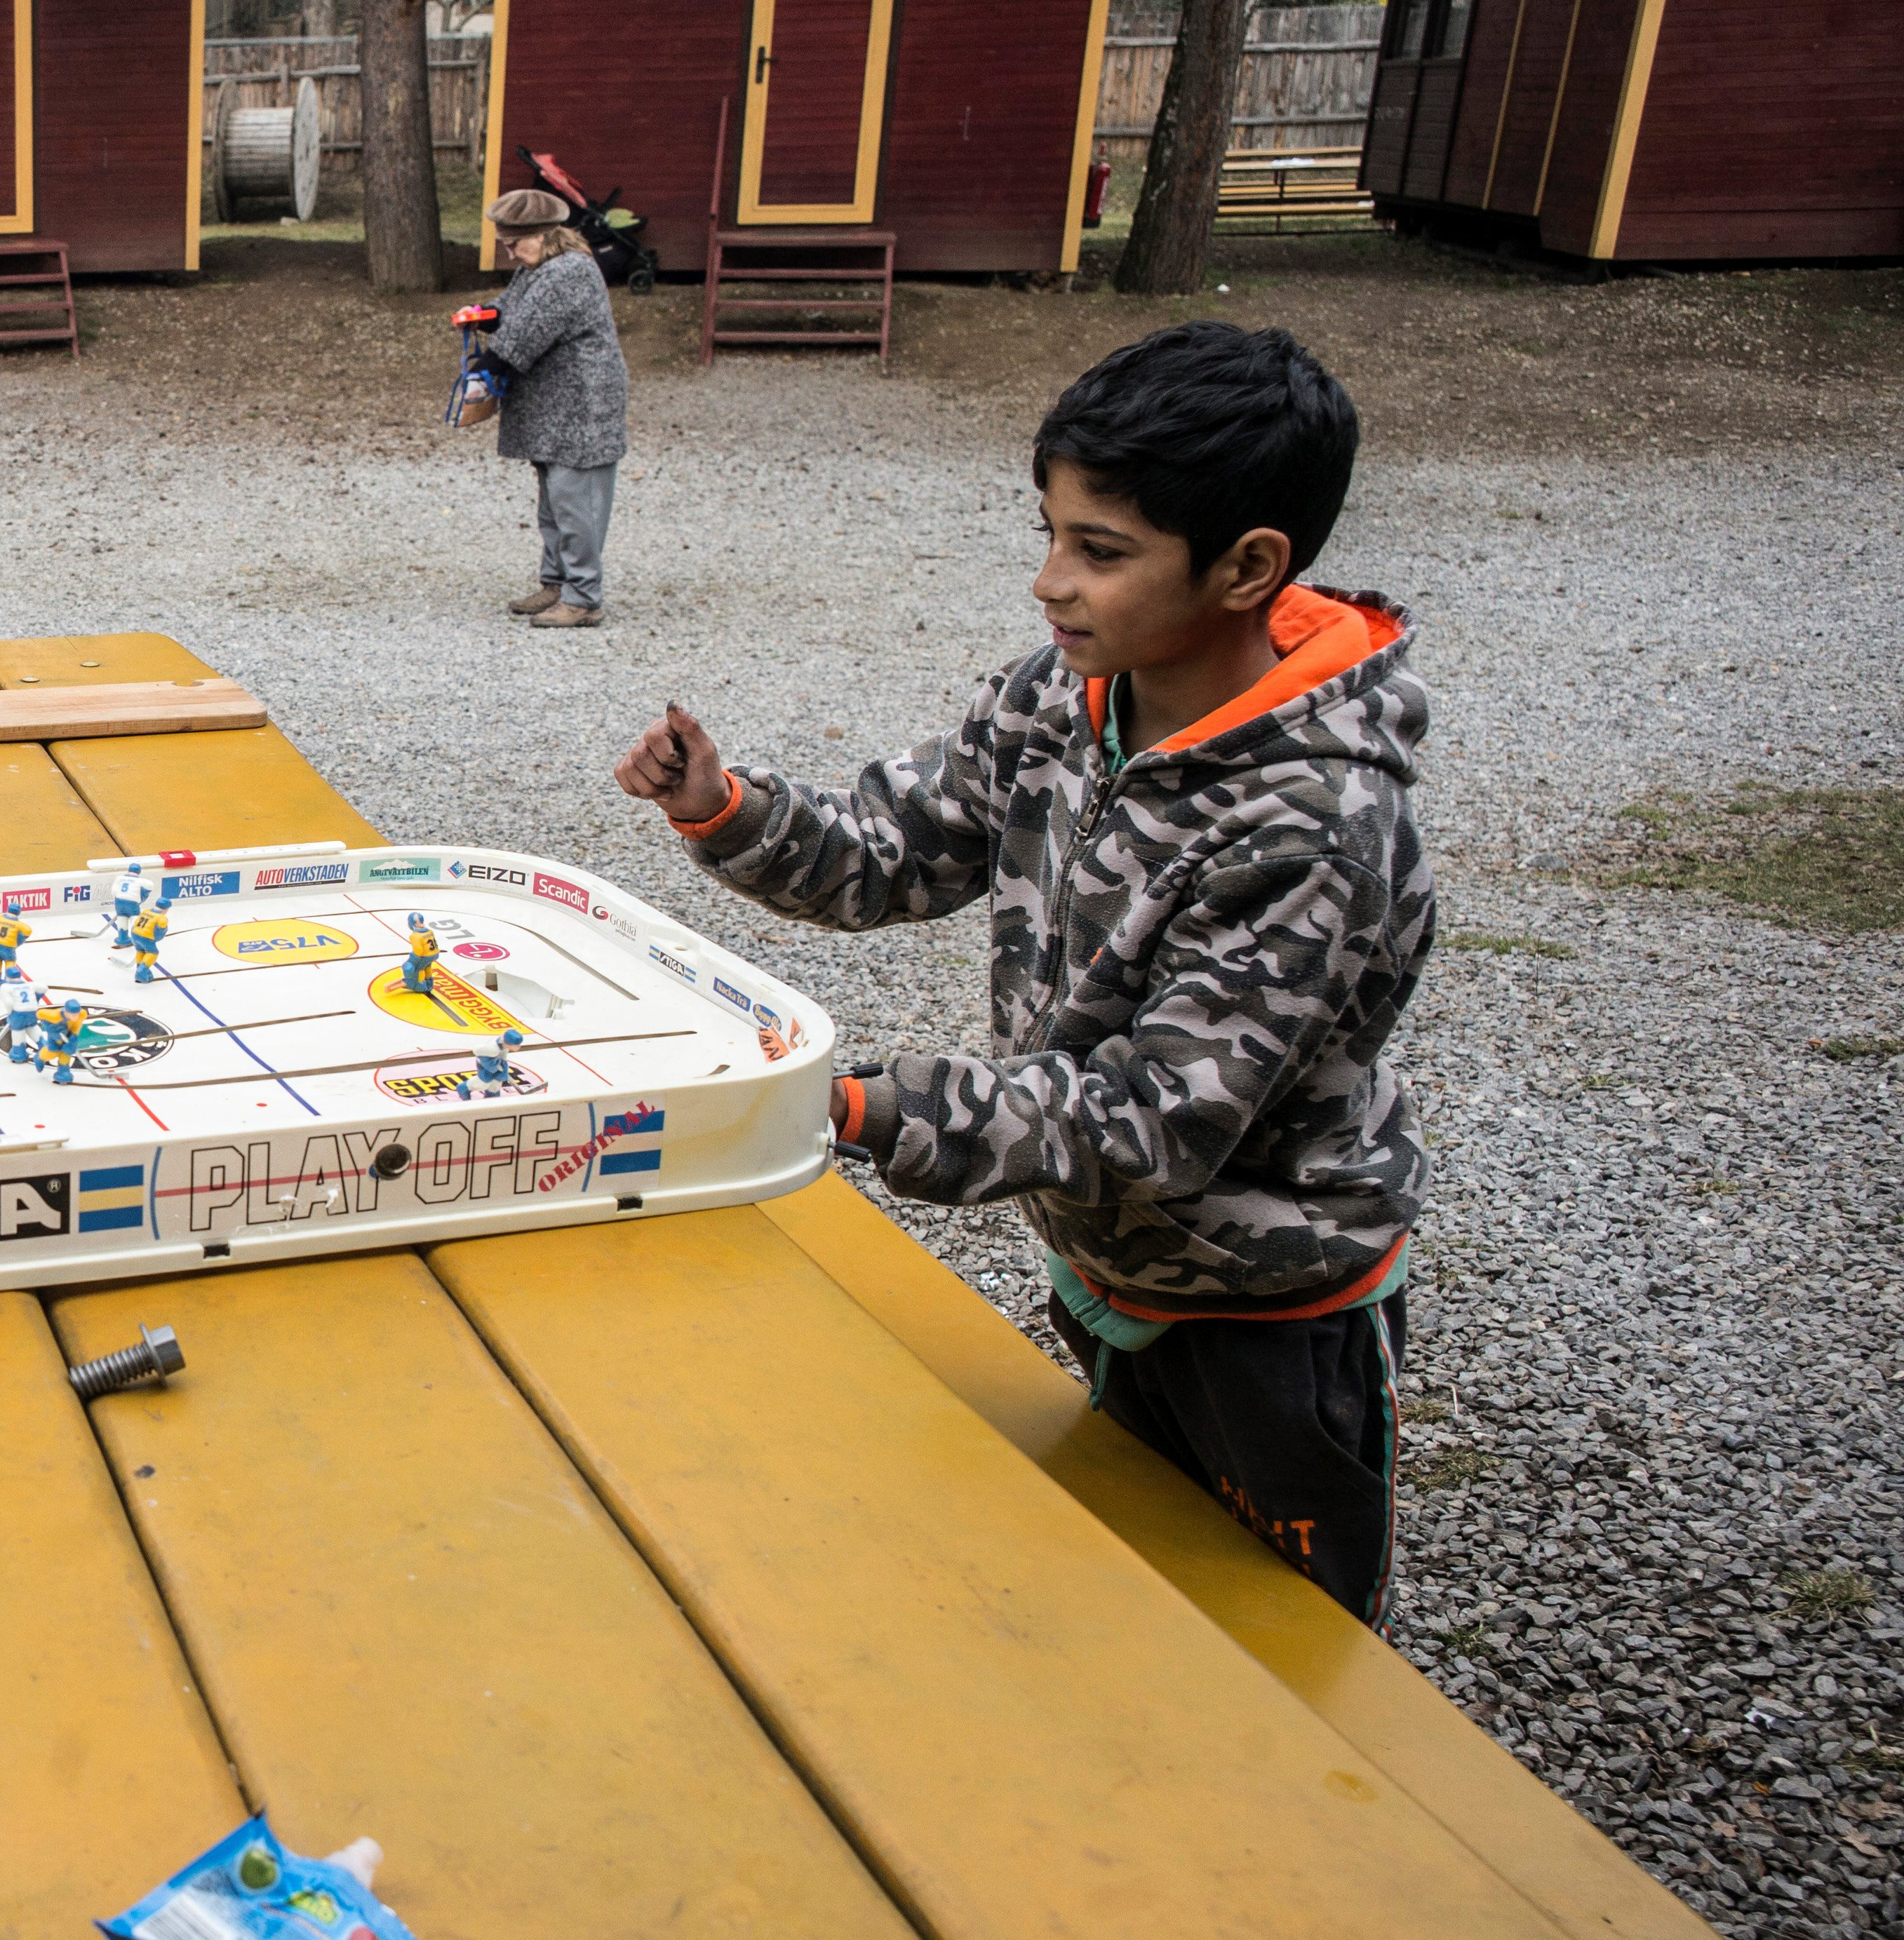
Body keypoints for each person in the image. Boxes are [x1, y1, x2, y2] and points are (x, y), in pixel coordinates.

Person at [612, 321, 1429, 1617]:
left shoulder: (1313, 825)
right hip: (1104, 1261)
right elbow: (898, 851)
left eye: (1100, 551)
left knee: (1285, 1648)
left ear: (1248, 565)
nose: (1050, 580)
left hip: (1267, 1315)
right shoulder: (1064, 695)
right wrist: (728, 807)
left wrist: (863, 1106)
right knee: (1125, 1599)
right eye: (1048, 531)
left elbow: (1155, 1116)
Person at [479, 185, 631, 629]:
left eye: (514, 243)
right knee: (552, 499)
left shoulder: (568, 272)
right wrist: (483, 315)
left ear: (545, 233)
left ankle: (583, 597)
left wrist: (488, 362)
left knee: (574, 500)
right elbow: (510, 310)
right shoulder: (537, 268)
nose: (510, 253)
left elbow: (526, 333)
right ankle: (556, 584)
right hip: (555, 403)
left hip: (582, 404)